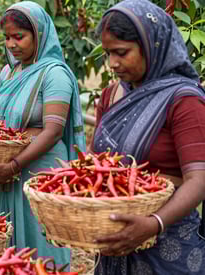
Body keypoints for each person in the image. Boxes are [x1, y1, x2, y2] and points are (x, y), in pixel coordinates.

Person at [91, 0, 205, 274]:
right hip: (114, 240)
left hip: (169, 243)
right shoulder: (111, 96)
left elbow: (199, 179)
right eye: (107, 53)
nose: (112, 64)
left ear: (152, 46)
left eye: (121, 52)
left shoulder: (184, 100)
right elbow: (96, 166)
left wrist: (154, 222)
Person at [0, 1, 86, 267]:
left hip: (41, 170)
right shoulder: (8, 71)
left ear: (39, 34)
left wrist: (14, 164)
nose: (12, 44)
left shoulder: (55, 74)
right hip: (11, 168)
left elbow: (51, 132)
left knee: (43, 241)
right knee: (13, 243)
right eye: (7, 38)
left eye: (20, 36)